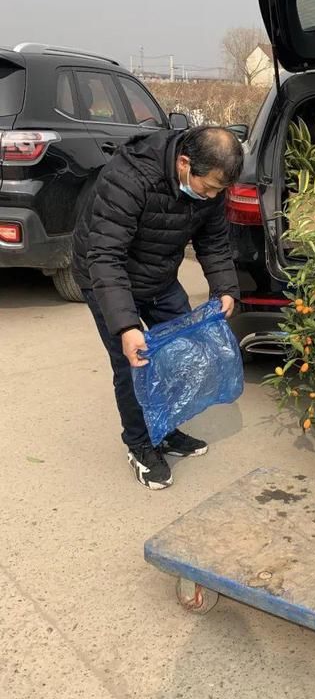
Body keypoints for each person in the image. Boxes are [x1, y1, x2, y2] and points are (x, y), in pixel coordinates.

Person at [73, 125, 244, 490]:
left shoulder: (210, 185)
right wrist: (126, 326)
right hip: (106, 274)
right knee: (133, 364)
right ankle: (139, 444)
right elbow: (104, 256)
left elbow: (213, 241)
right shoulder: (128, 177)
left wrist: (225, 289)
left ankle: (165, 429)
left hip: (159, 275)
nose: (212, 195)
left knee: (182, 351)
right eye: (208, 187)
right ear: (184, 163)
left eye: (219, 190)